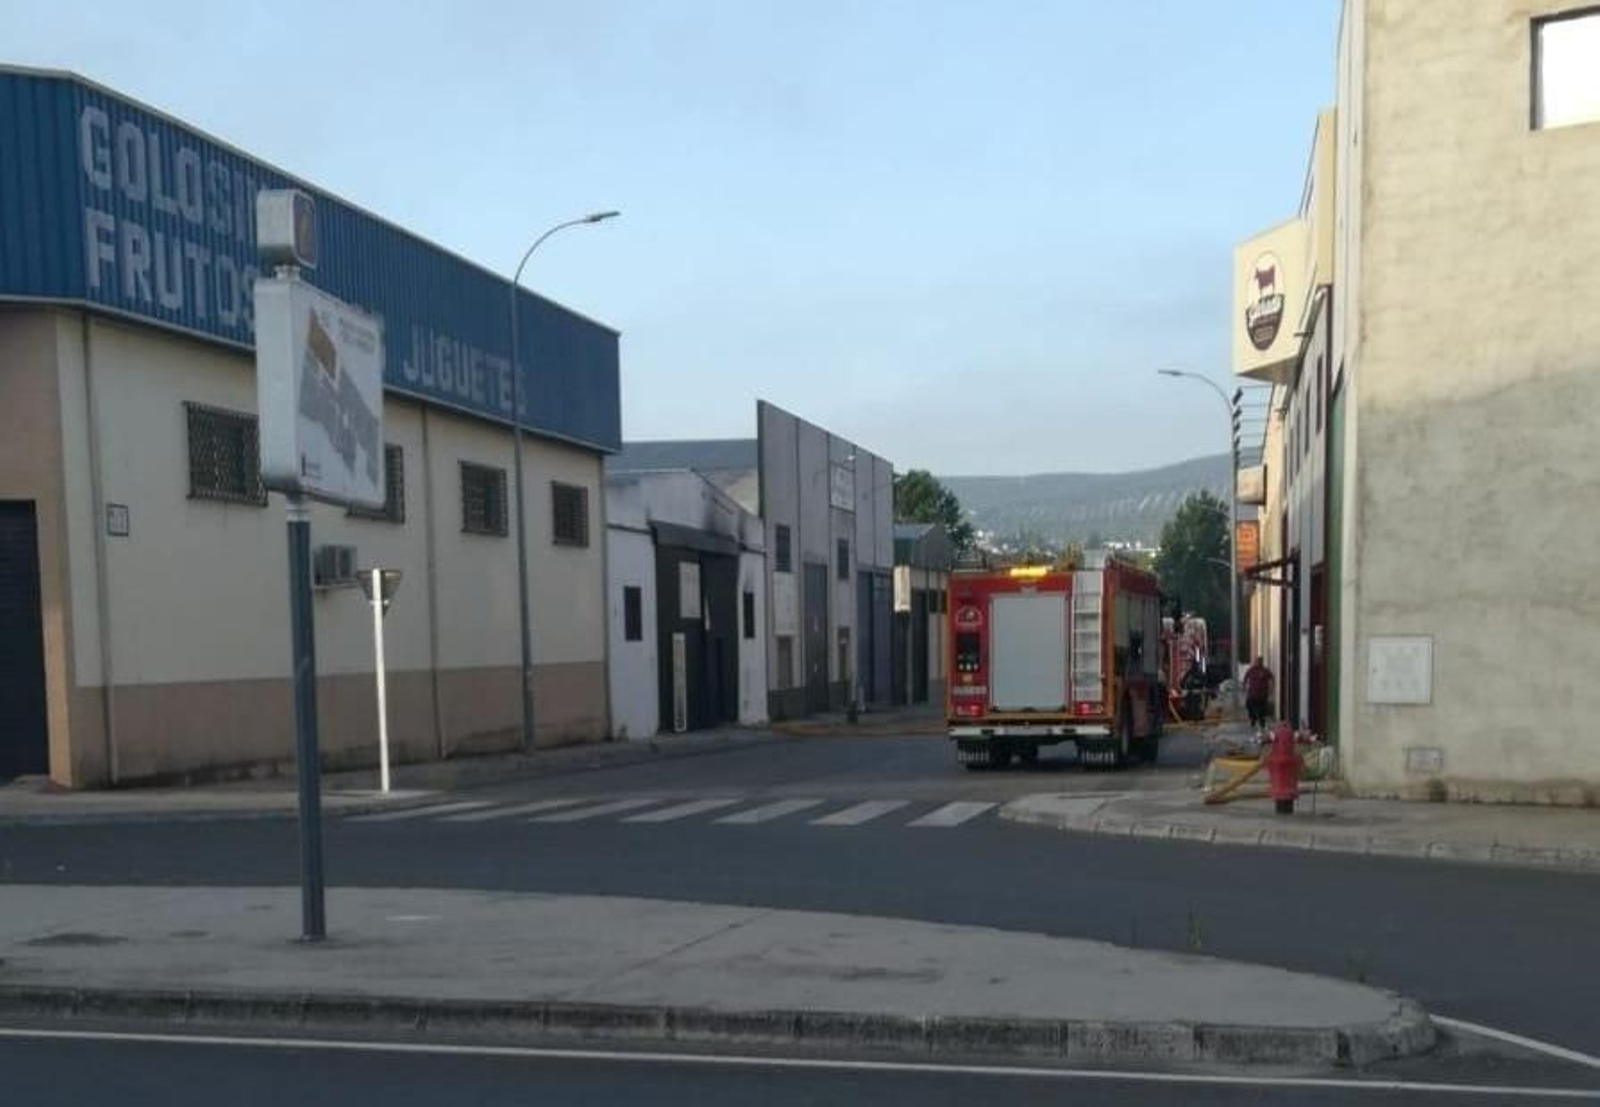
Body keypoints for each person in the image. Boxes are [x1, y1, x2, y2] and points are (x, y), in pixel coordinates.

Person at [1243, 656, 1274, 731]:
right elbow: (1245, 678)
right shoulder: (1251, 670)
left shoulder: (1265, 671)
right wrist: (1244, 687)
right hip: (1252, 694)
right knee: (1249, 706)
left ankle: (1262, 724)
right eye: (1256, 661)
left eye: (1259, 662)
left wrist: (1271, 689)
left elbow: (1272, 679)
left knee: (1261, 710)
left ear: (1261, 663)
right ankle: (1253, 719)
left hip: (1262, 694)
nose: (1257, 663)